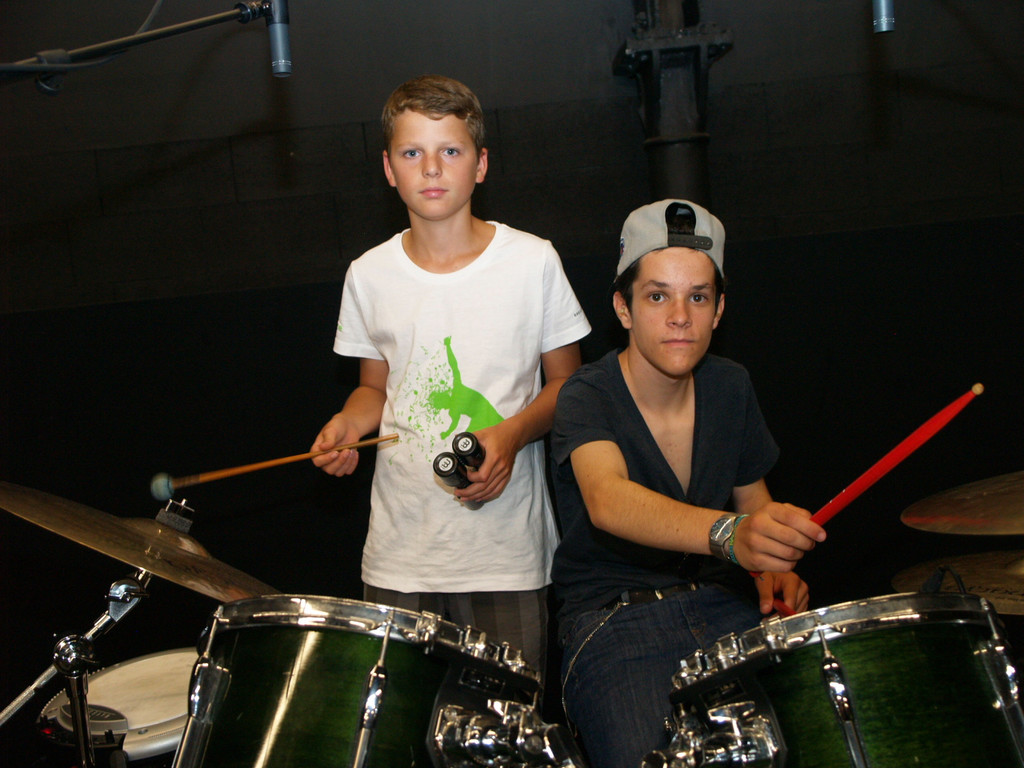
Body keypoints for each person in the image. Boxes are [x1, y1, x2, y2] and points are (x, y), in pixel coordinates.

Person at [310, 75, 591, 678]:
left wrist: (510, 436)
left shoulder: (532, 261)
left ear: (480, 164)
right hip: (400, 556)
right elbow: (373, 389)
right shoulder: (368, 274)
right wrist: (348, 425)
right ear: (389, 169)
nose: (432, 168)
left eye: (451, 151)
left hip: (505, 556)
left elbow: (569, 386)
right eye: (413, 152)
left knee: (504, 721)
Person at [549, 199, 826, 767]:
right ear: (623, 308)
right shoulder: (586, 393)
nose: (680, 316)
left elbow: (755, 507)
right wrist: (732, 535)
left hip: (726, 607)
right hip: (614, 622)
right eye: (658, 296)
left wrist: (773, 567)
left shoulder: (731, 386)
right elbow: (608, 500)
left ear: (718, 310)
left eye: (698, 297)